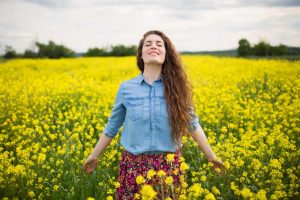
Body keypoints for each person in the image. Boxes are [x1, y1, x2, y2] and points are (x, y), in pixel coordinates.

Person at [83, 30, 224, 199]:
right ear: (141, 55)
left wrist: (212, 157)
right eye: (148, 44)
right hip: (133, 166)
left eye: (159, 44)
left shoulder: (177, 89)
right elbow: (112, 126)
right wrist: (94, 156)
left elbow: (193, 125)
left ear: (166, 54)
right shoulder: (126, 88)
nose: (153, 46)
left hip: (169, 167)